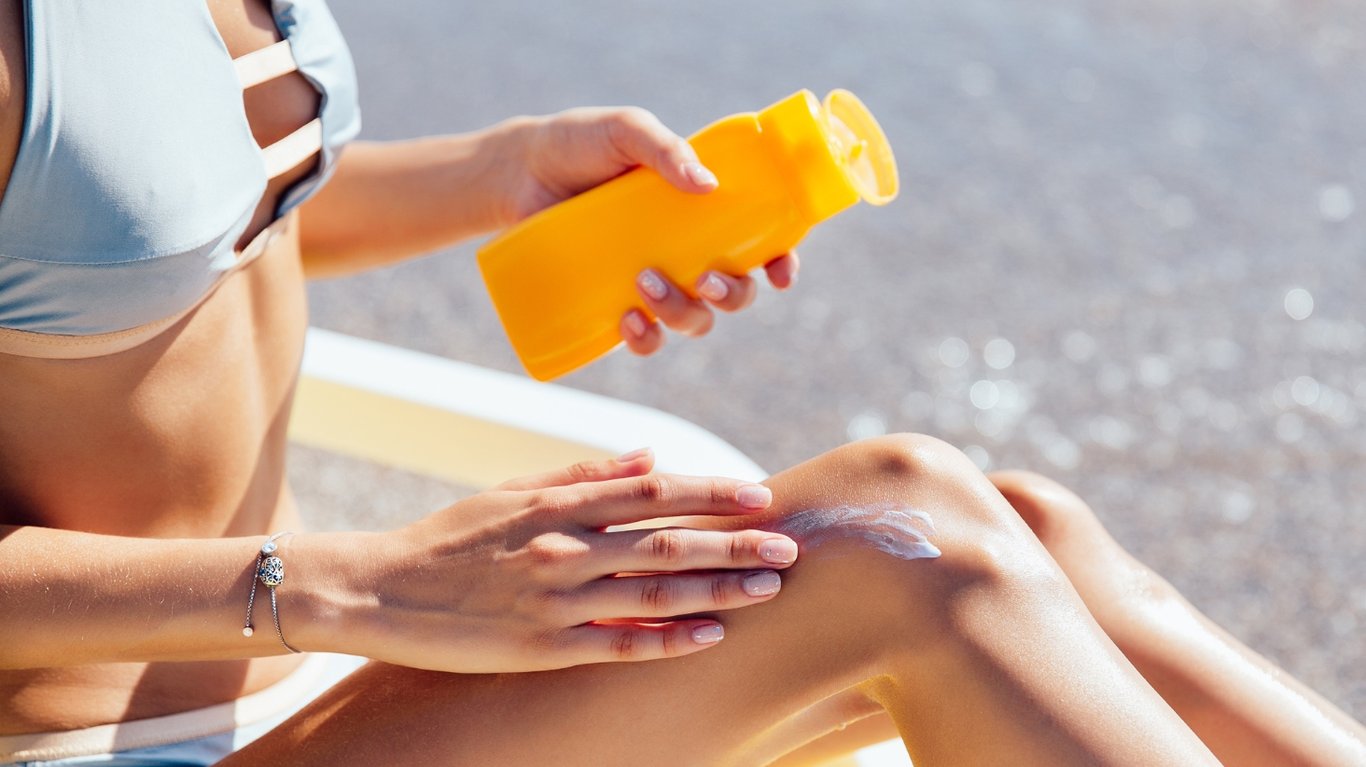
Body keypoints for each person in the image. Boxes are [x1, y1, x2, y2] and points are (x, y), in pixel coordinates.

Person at [0, 2, 1362, 765]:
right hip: (121, 743)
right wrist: (355, 584)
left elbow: (172, 213)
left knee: (1029, 528)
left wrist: (501, 172)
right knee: (908, 546)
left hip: (305, 676)